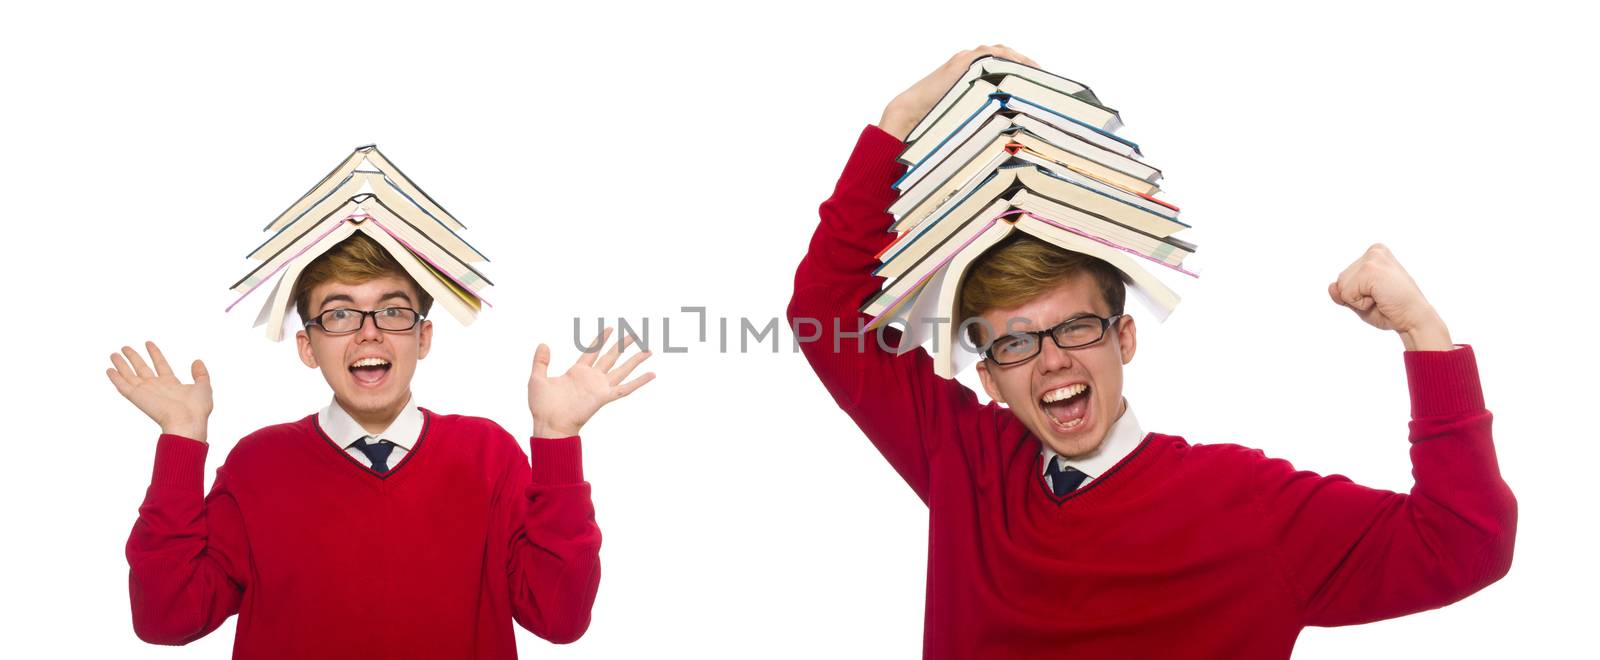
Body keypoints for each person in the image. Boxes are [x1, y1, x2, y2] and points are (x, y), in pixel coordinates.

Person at [787, 46, 1516, 659]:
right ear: (989, 377)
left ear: (1124, 338)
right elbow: (825, 312)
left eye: (1076, 328)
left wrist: (1425, 335)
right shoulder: (968, 465)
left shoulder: (1245, 508)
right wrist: (900, 121)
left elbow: (1464, 545)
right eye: (1016, 343)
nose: (1052, 361)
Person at [107, 233, 654, 659]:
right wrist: (181, 438)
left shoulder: (488, 455)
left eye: (392, 311)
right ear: (308, 346)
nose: (368, 333)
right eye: (340, 314)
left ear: (422, 337)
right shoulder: (257, 465)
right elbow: (165, 617)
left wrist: (557, 441)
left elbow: (560, 620)